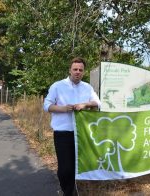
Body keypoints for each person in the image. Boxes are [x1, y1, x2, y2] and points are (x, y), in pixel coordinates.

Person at [43, 57, 101, 196]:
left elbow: (98, 103)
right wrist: (64, 109)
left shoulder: (87, 87)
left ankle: (71, 191)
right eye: (75, 69)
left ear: (84, 72)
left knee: (76, 166)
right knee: (65, 169)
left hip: (82, 133)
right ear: (70, 70)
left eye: (80, 70)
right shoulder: (57, 86)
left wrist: (85, 104)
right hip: (62, 133)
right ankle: (67, 191)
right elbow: (46, 106)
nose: (77, 72)